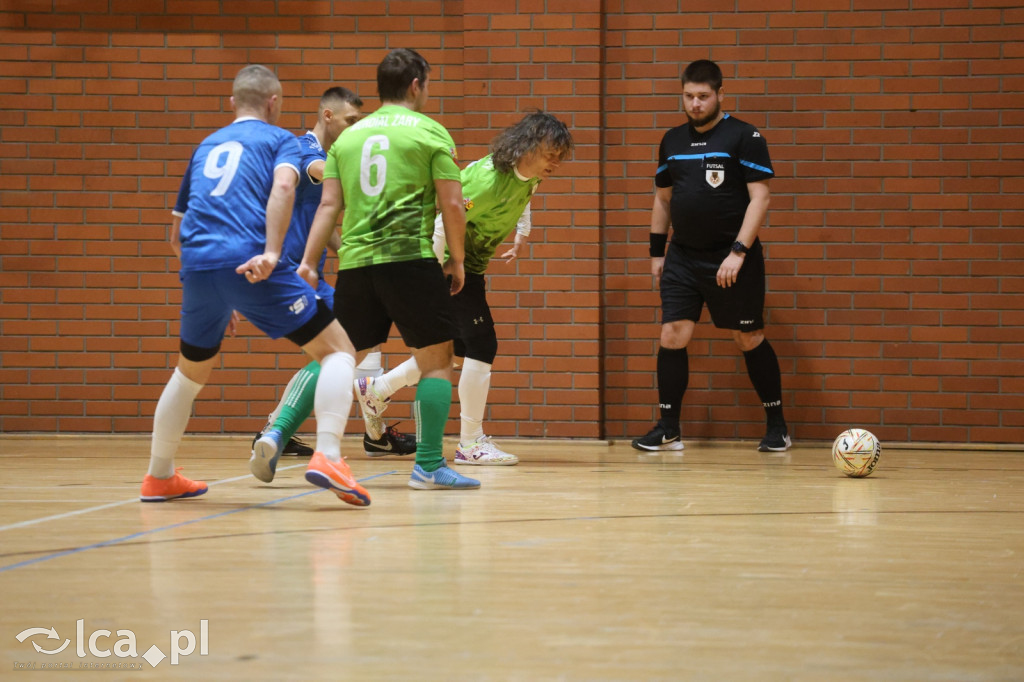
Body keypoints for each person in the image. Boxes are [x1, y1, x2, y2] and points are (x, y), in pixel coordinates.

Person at [142, 65, 370, 507]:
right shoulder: (279, 139)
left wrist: (218, 292)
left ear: (232, 102)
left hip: (197, 267)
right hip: (251, 260)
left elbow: (175, 235)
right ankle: (327, 455)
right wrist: (269, 252)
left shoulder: (204, 147)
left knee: (189, 373)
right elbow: (285, 185)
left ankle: (158, 475)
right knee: (339, 350)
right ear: (274, 102)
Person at [299, 48, 479, 490]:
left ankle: (280, 429)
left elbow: (328, 205)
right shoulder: (430, 132)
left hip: (357, 264)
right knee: (437, 361)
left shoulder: (348, 139)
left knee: (338, 355)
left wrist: (307, 261)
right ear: (417, 85)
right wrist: (457, 259)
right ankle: (430, 465)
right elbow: (453, 204)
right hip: (409, 259)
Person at [357, 112, 574, 466]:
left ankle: (377, 390)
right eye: (551, 152)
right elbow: (442, 218)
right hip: (446, 264)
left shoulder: (530, 175)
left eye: (561, 156)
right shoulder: (488, 180)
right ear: (528, 146)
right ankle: (470, 443)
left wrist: (523, 233)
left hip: (467, 264)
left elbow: (524, 197)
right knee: (482, 345)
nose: (556, 162)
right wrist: (433, 276)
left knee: (454, 352)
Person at [248, 86, 415, 474]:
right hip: (293, 271)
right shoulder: (305, 151)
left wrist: (347, 249)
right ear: (327, 116)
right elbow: (323, 176)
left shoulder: (328, 154)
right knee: (340, 349)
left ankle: (279, 430)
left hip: (309, 273)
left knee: (345, 348)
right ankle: (290, 435)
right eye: (351, 121)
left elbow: (322, 217)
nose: (355, 128)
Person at [632, 59, 790, 453]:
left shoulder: (744, 136)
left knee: (748, 336)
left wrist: (739, 251)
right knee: (673, 333)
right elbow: (663, 199)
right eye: (689, 96)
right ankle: (668, 428)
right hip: (683, 256)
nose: (696, 104)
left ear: (720, 94)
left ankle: (778, 426)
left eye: (704, 96)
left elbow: (761, 197)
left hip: (732, 258)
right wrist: (656, 253)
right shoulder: (671, 141)